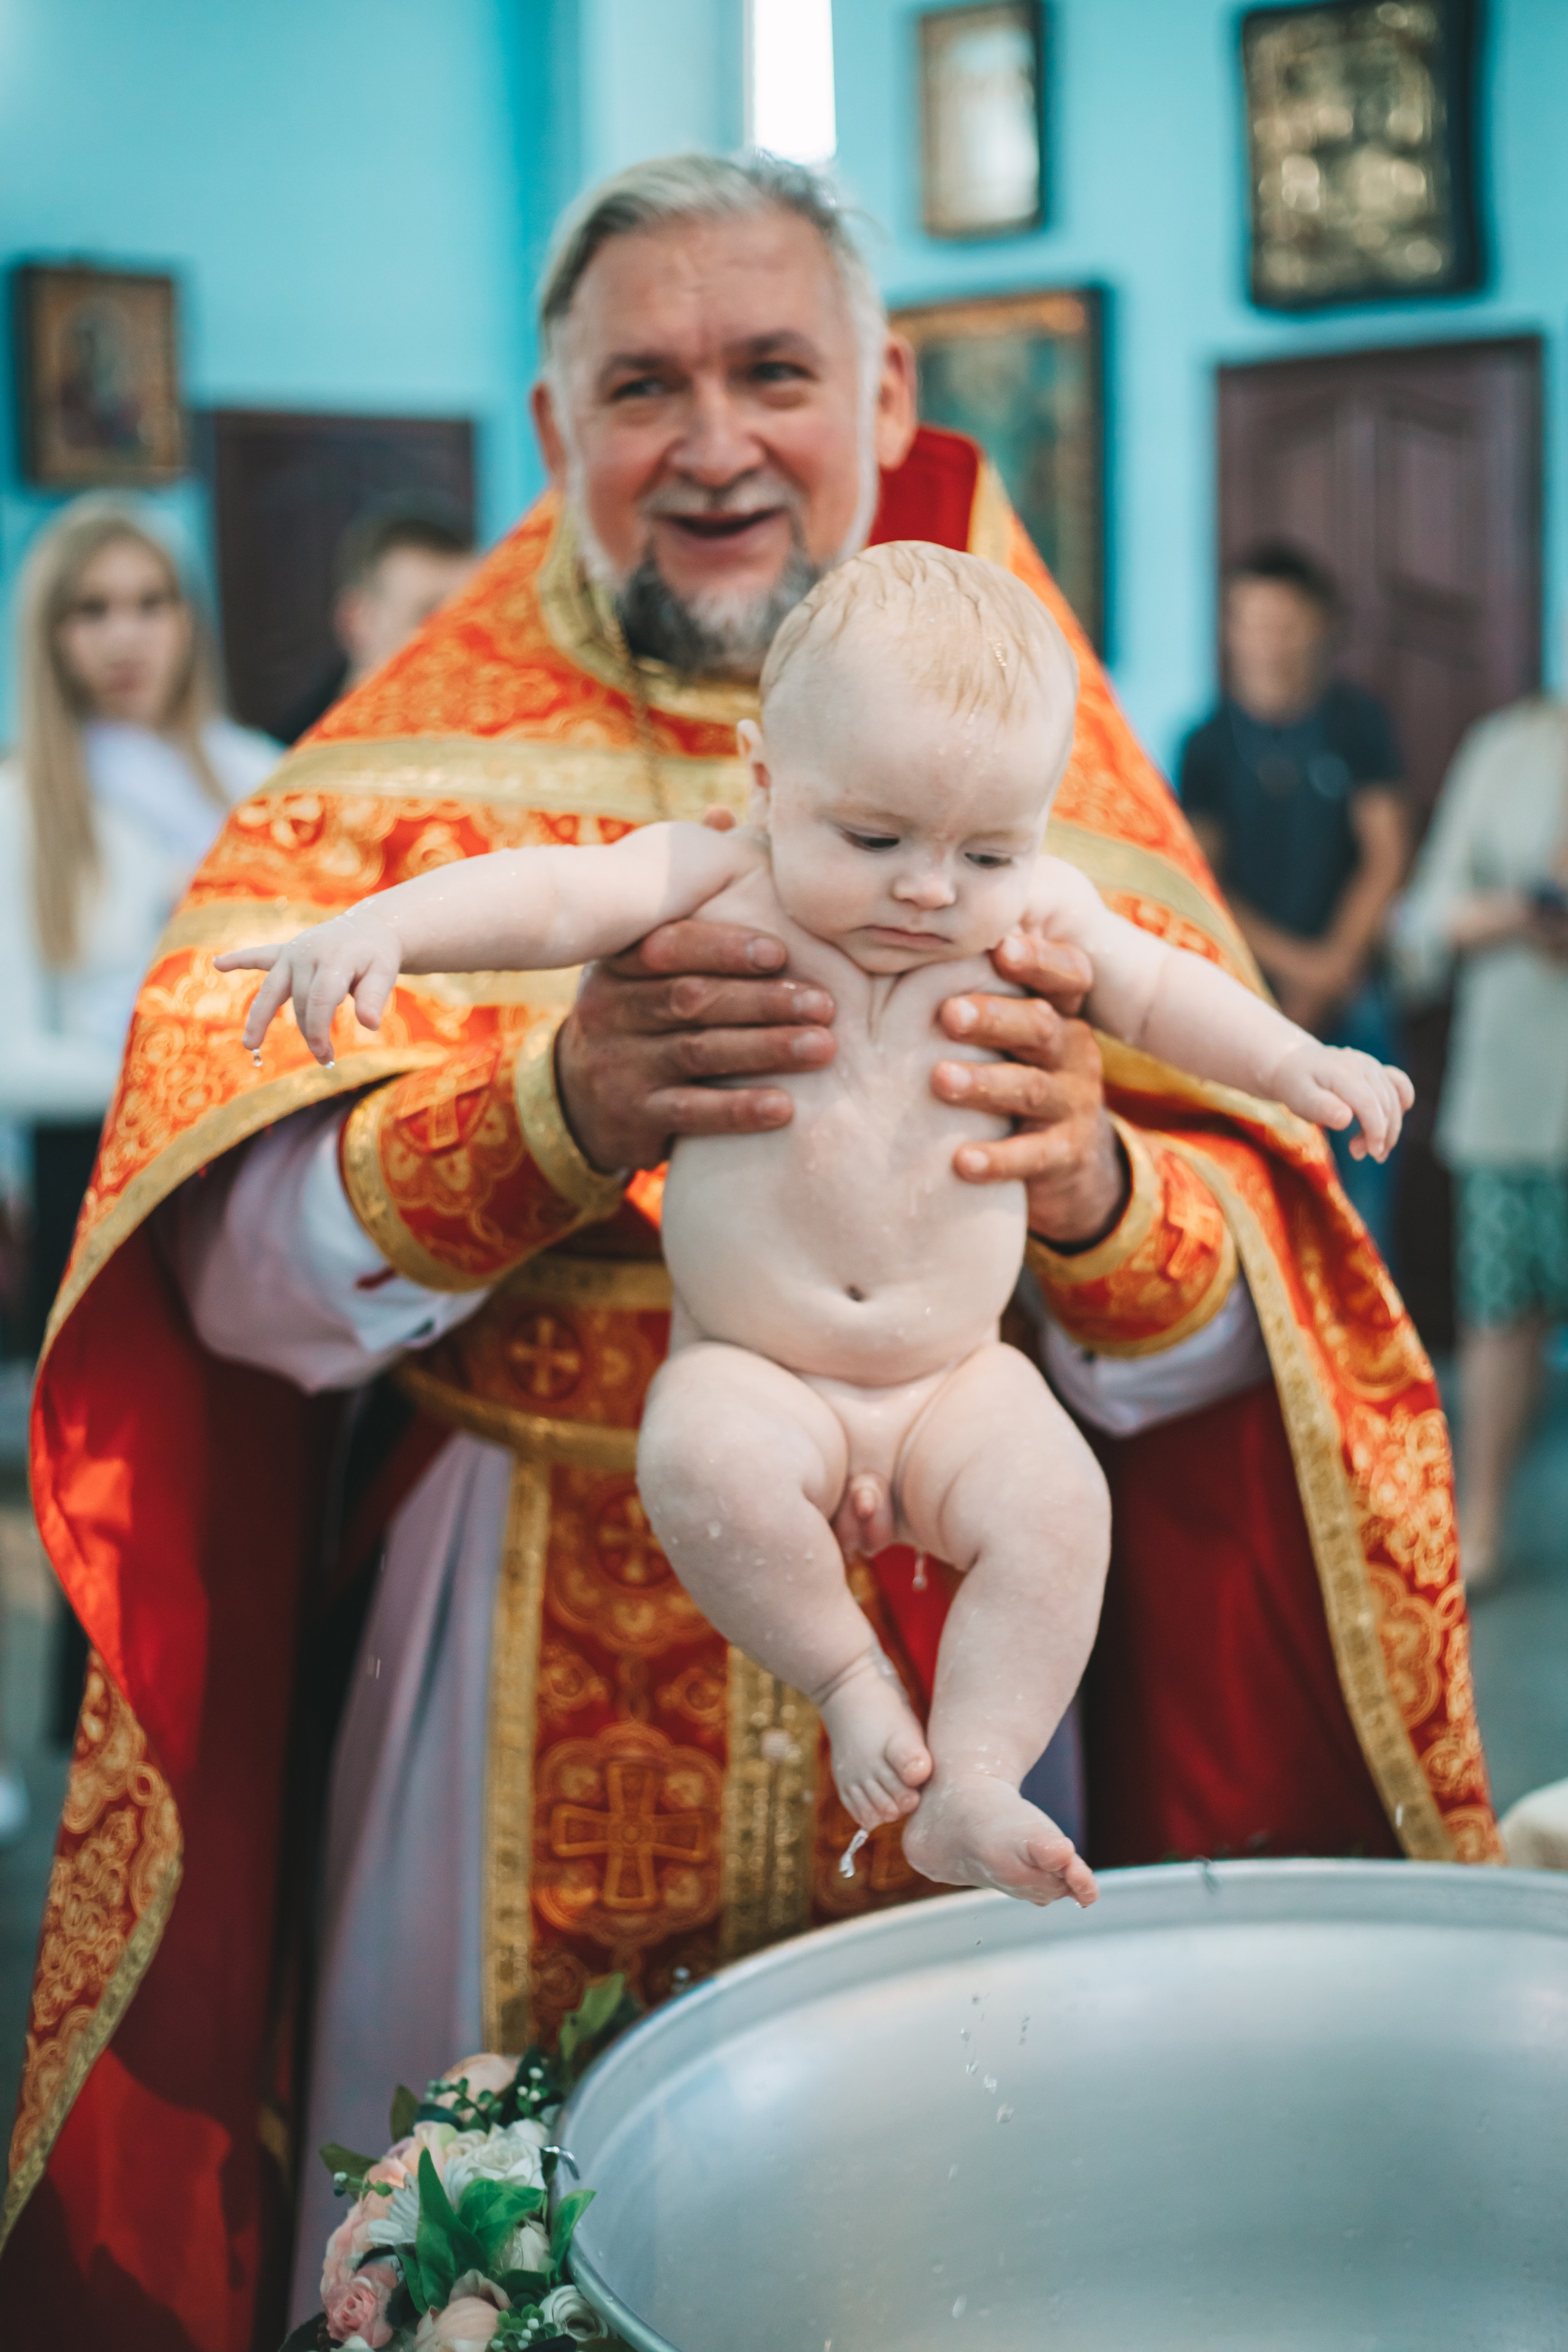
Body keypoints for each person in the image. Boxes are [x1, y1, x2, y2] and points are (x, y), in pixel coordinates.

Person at [1, 154, 1496, 2348]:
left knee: (946, 2268)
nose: (709, 440)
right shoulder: (394, 779)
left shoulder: (1032, 773)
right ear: (552, 433)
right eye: (643, 384)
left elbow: (1233, 1358)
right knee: (484, 2278)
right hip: (494, 1662)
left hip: (960, 1580)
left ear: (884, 396)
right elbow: (215, 1293)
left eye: (771, 371)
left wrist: (1084, 1185)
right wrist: (555, 1109)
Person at [226, 541, 1410, 1904]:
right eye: (873, 841)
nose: (927, 889)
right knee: (700, 1457)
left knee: (1053, 1507)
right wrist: (379, 928)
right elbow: (549, 898)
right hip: (758, 1367)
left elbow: (1159, 992)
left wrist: (1294, 1065)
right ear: (764, 781)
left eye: (985, 849)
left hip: (950, 1378)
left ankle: (969, 1780)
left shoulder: (1027, 910)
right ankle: (849, 1676)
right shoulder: (710, 876)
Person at [0, 500, 279, 1778]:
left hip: (252, 1161)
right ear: (49, 635)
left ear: (189, 621)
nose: (124, 637)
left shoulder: (252, 767)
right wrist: (169, 1042)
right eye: (89, 609)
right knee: (117, 1485)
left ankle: (241, 1744)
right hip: (100, 1179)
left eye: (148, 604)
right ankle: (99, 1766)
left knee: (250, 1465)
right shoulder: (23, 805)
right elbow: (15, 1054)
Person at [1179, 544, 1410, 1251]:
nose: (1265, 641)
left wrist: (1333, 967)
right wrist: (1297, 973)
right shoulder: (1206, 743)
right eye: (1249, 622)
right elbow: (1198, 878)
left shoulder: (1356, 724)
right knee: (1255, 1199)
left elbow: (1386, 854)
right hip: (1250, 992)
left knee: (1360, 1195)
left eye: (1283, 623)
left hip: (1352, 994)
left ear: (1318, 628)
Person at [1393, 692, 1568, 1588]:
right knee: (1499, 1317)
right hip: (1510, 1092)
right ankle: (1485, 1527)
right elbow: (1425, 918)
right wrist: (1518, 912)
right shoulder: (1505, 745)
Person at [281, 502, 480, 739]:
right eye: (431, 618)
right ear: (357, 623)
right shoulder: (279, 763)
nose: (460, 641)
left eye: (471, 615)